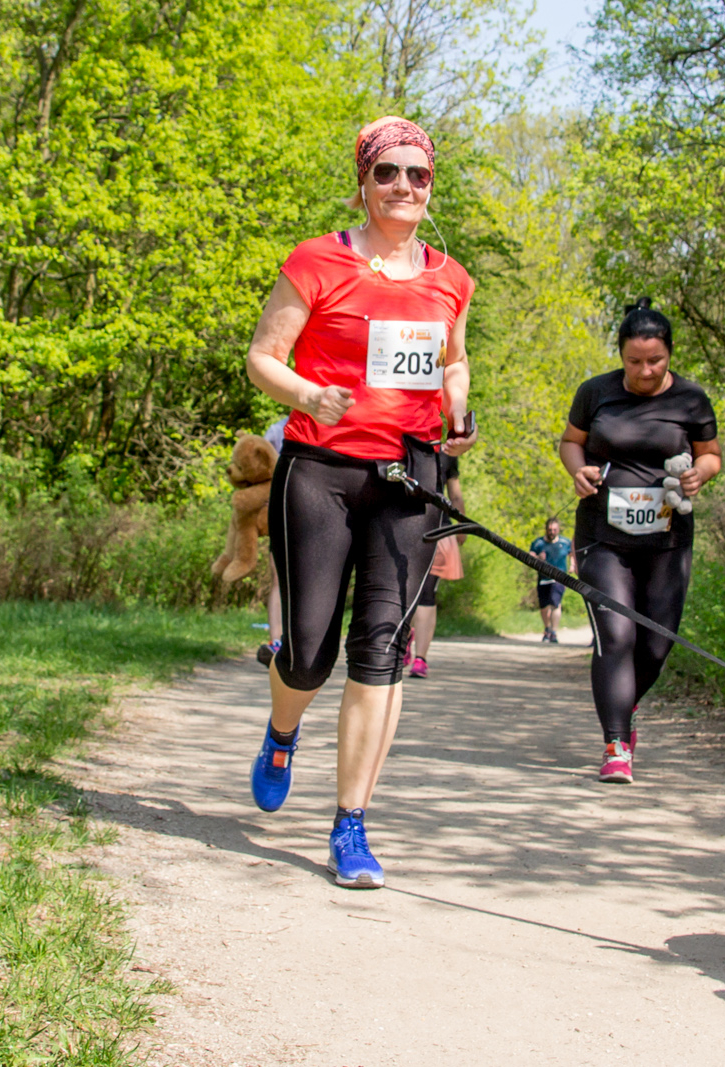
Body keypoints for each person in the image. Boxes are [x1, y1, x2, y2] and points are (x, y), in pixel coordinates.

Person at [243, 115, 477, 887]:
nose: (405, 187)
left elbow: (455, 363)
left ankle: (352, 824)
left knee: (383, 648)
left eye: (419, 175)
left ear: (431, 186)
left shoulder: (452, 278)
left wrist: (459, 410)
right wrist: (311, 391)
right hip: (320, 467)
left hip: (409, 475)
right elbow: (262, 358)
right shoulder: (316, 262)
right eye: (389, 173)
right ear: (364, 181)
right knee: (308, 653)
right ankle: (283, 729)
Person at [559, 298, 720, 784]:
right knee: (617, 634)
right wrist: (578, 469)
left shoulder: (691, 400)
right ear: (621, 355)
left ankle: (623, 715)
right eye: (634, 362)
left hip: (668, 538)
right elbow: (570, 441)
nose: (645, 371)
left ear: (669, 354)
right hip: (602, 535)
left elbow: (711, 454)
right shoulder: (596, 393)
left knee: (654, 644)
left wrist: (699, 475)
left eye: (655, 361)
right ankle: (615, 743)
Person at [407, 451, 464, 678]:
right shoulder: (446, 452)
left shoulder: (443, 453)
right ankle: (412, 645)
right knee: (416, 592)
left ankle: (419, 656)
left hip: (430, 527)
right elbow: (455, 495)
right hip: (418, 527)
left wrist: (459, 524)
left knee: (421, 593)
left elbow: (456, 495)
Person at [255, 415, 290, 668]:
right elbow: (259, 474)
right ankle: (276, 641)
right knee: (279, 579)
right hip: (282, 513)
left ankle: (297, 641)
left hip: (318, 516)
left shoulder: (329, 422)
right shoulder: (277, 430)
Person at [528, 517, 573, 643]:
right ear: (546, 530)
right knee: (544, 606)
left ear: (558, 530)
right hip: (543, 578)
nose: (552, 532)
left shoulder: (565, 542)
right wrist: (538, 558)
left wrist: (573, 566)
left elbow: (572, 554)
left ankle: (554, 631)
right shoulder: (538, 543)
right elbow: (529, 557)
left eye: (554, 529)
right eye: (549, 529)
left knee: (555, 603)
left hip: (559, 578)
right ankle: (547, 629)